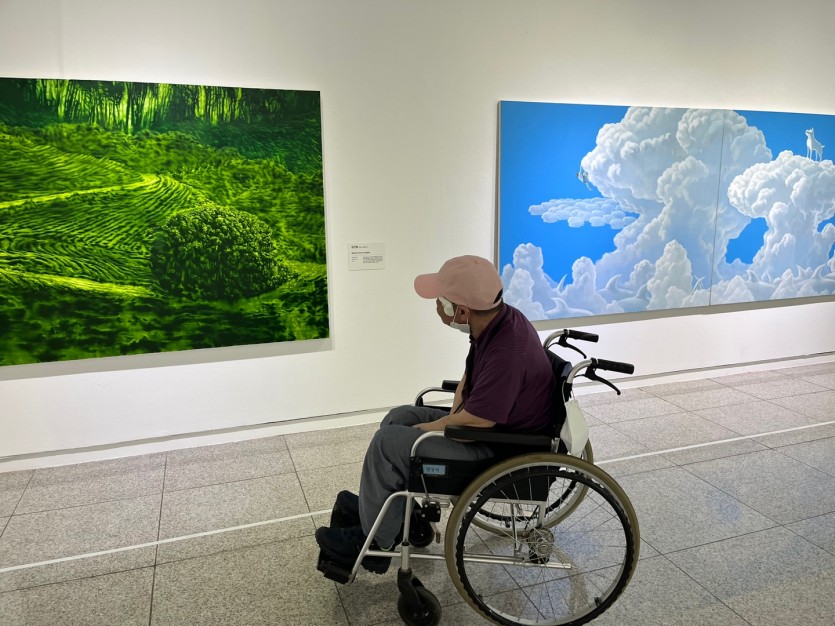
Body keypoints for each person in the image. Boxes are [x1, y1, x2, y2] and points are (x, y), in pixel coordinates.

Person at [315, 255, 556, 574]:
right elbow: (469, 378)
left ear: (462, 312)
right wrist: (446, 414)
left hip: (497, 447)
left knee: (387, 444)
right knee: (398, 417)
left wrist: (430, 428)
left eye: (441, 302)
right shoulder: (497, 321)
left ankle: (378, 544)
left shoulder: (508, 351)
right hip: (492, 425)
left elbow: (478, 421)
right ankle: (397, 517)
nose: (436, 307)